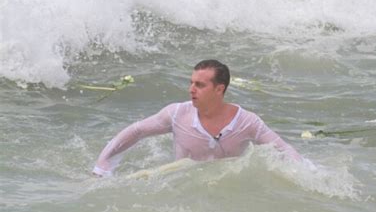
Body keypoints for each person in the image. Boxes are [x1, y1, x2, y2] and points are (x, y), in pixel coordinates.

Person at [92, 59, 302, 177]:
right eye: (191, 83)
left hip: (226, 186)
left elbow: (283, 149)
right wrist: (102, 165)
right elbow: (136, 131)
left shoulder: (247, 122)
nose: (191, 89)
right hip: (183, 183)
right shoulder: (177, 114)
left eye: (200, 85)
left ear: (219, 89)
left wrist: (309, 173)